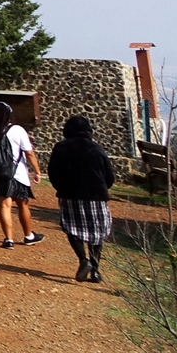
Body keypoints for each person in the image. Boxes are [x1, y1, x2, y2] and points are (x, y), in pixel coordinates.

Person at [47, 114, 116, 282]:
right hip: (96, 196)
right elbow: (110, 176)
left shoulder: (60, 148)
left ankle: (83, 260)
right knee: (97, 233)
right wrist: (101, 189)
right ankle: (96, 270)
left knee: (72, 229)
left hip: (70, 195)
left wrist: (61, 188)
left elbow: (53, 173)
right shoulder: (96, 149)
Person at [0, 100, 43, 248]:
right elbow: (29, 153)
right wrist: (37, 171)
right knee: (23, 204)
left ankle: (9, 240)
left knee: (5, 206)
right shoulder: (17, 130)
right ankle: (28, 236)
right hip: (17, 174)